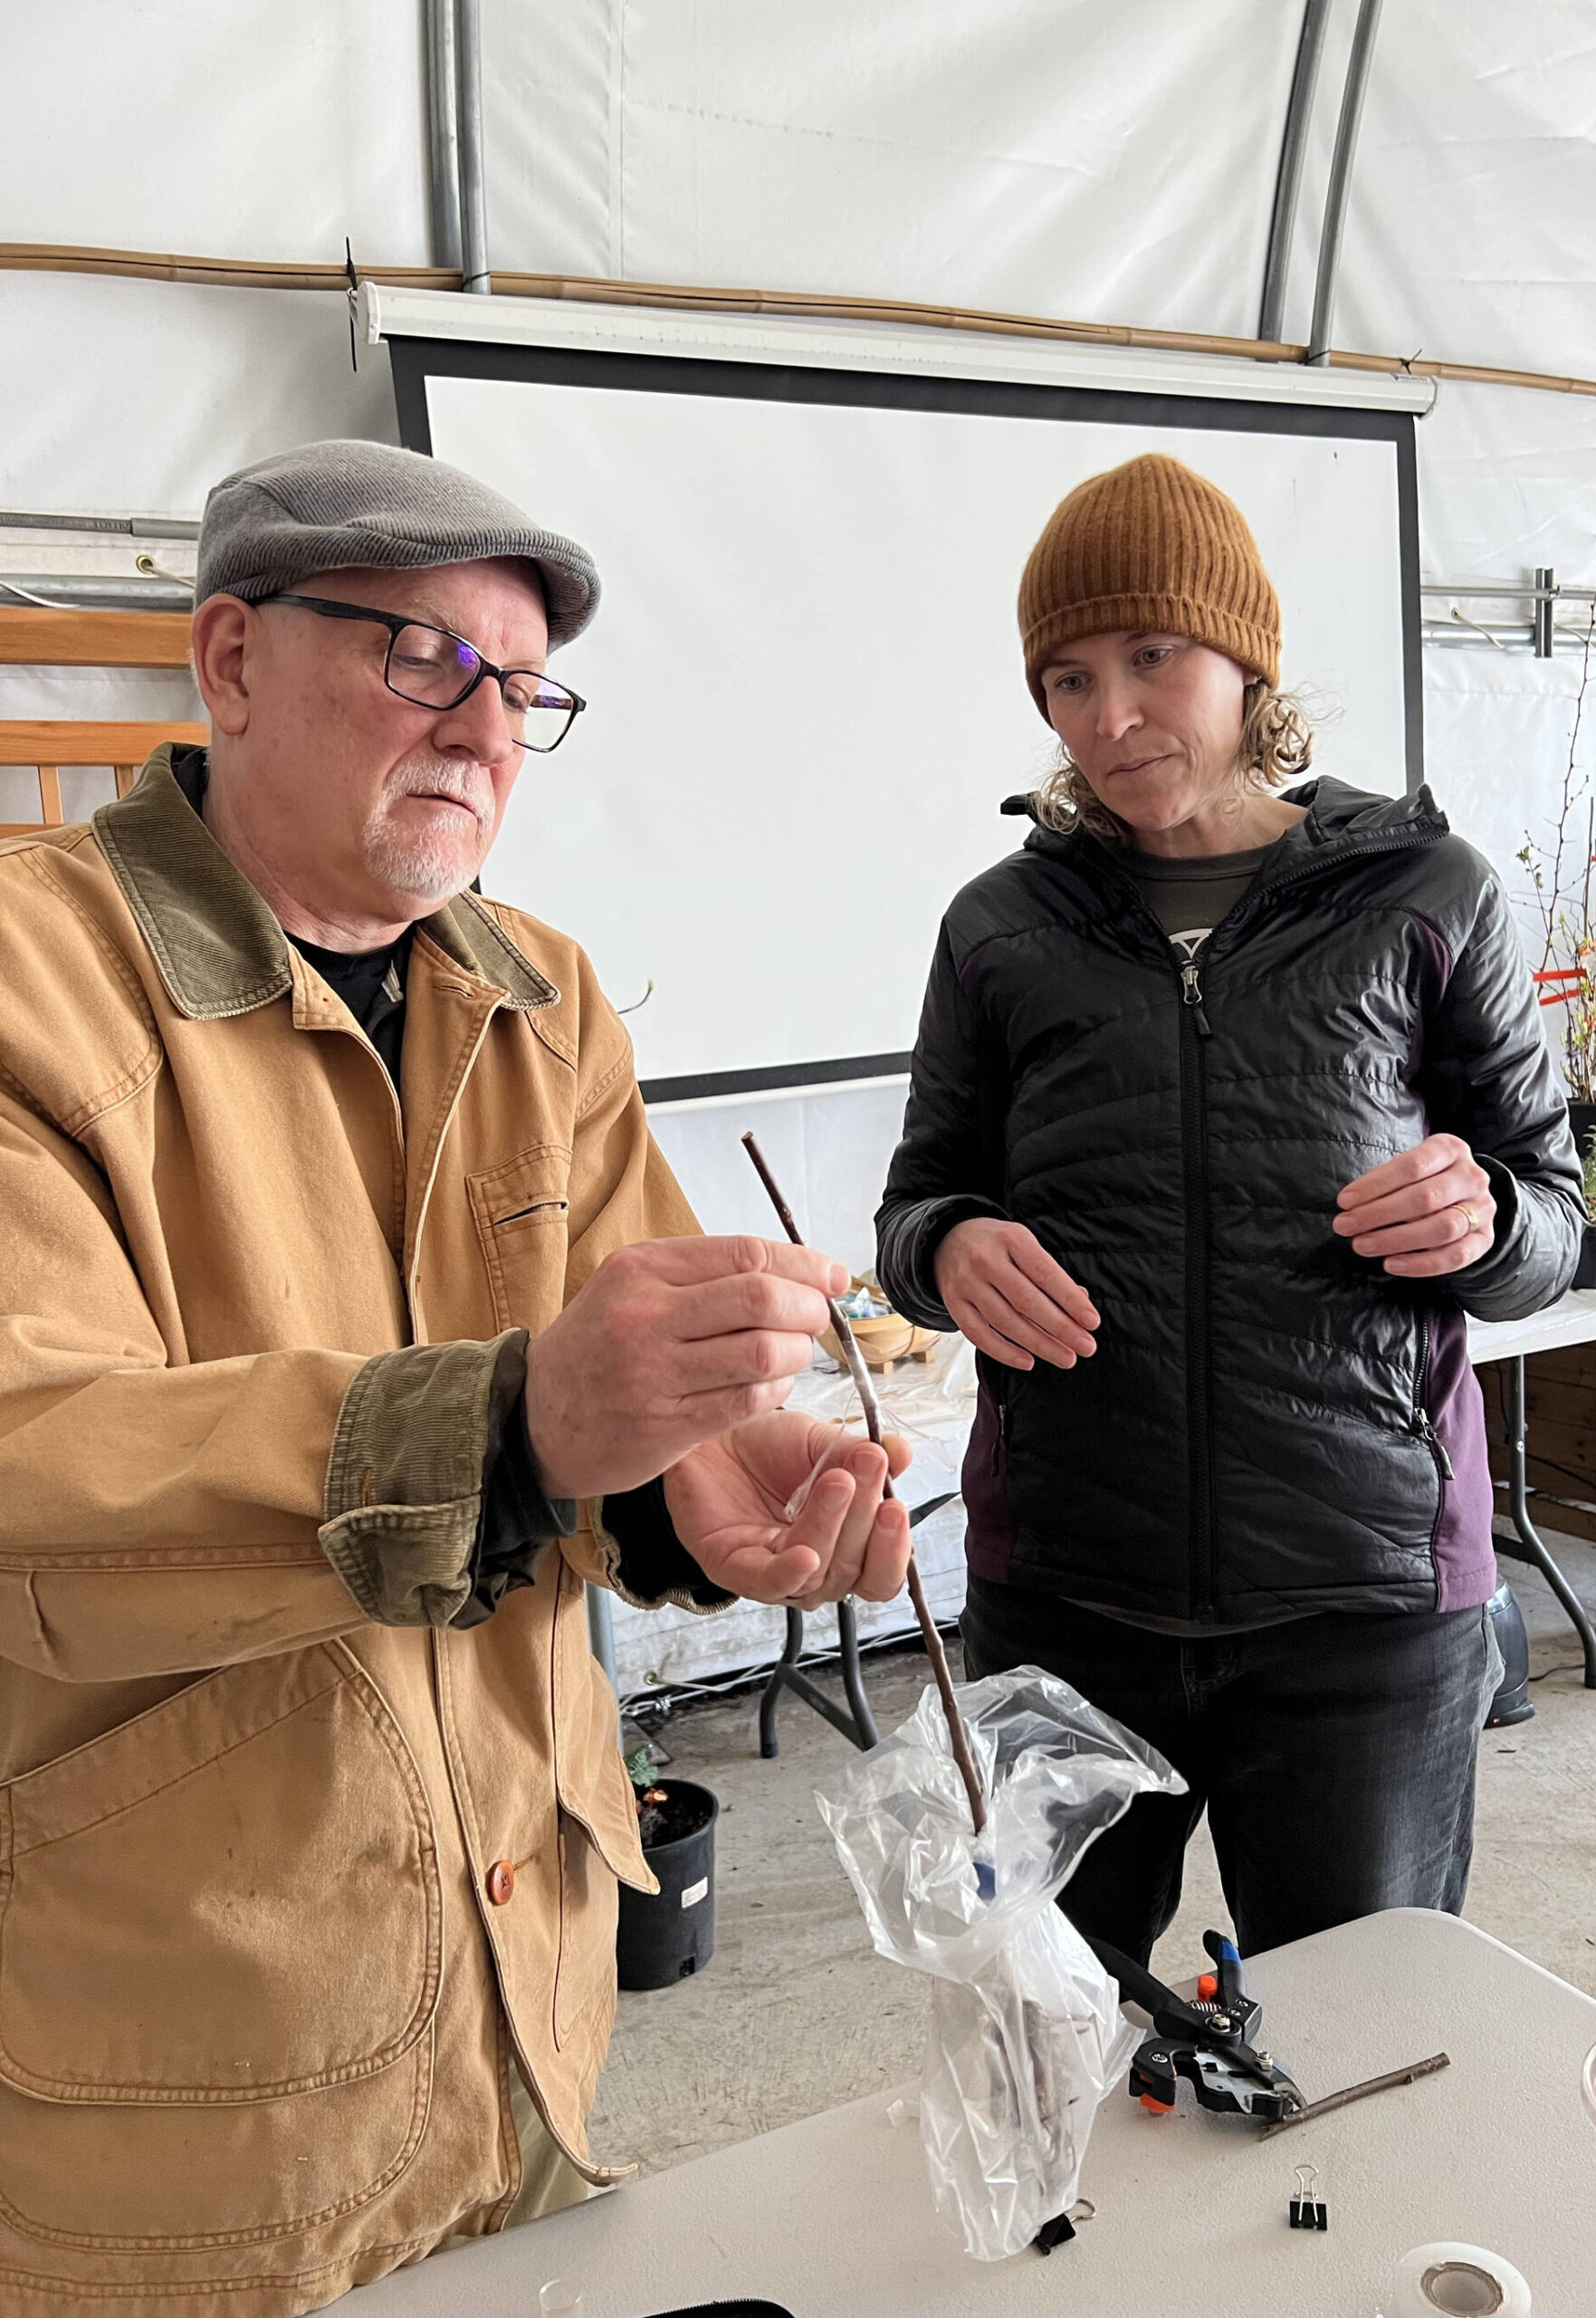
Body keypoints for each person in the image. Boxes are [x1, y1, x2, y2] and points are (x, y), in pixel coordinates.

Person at [0, 439, 912, 2316]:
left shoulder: (541, 991)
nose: (488, 728)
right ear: (232, 661)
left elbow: (613, 1390)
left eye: (529, 687)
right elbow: (35, 1471)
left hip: (521, 1973)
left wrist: (682, 1486)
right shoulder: (34, 977)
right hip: (185, 2042)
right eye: (424, 657)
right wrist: (513, 1423)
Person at [877, 451, 1581, 1968]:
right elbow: (919, 1204)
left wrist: (1489, 1225)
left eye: (1152, 658)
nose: (1111, 717)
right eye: (1066, 680)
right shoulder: (1002, 926)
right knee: (1062, 2047)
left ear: (1246, 659)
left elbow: (1554, 1219)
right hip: (1068, 1602)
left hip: (1367, 1606)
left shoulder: (1425, 892)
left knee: (1364, 2049)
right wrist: (948, 1245)